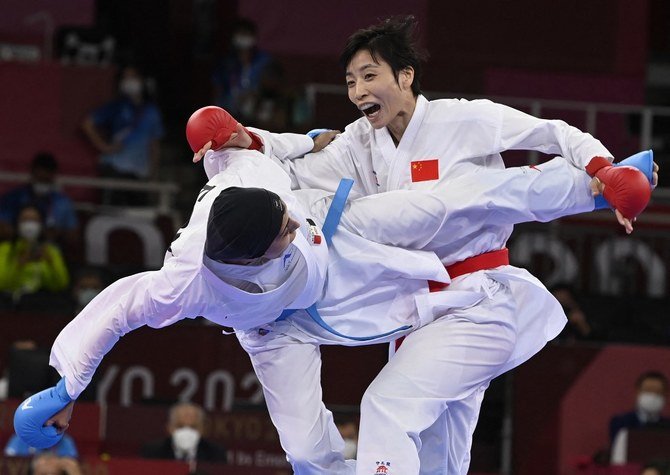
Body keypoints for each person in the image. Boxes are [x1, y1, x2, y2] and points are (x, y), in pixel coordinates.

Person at [15, 107, 651, 475]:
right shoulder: (186, 281)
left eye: (282, 217)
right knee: (302, 446)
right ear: (244, 257)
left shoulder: (261, 185)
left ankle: (602, 181)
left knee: (447, 203)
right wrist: (66, 386)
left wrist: (270, 137)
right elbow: (112, 311)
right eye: (280, 232)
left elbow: (263, 150)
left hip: (338, 246)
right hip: (273, 328)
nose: (286, 224)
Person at [230, 16, 660, 475]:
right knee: (440, 461)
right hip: (417, 310)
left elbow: (550, 133)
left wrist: (606, 170)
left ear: (406, 75)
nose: (357, 91)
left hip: (479, 300)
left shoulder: (462, 118)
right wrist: (248, 142)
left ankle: (592, 188)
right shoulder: (358, 142)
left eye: (370, 76)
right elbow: (296, 173)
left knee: (386, 406)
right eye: (351, 81)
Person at [81, 64, 164, 204]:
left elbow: (154, 145)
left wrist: (153, 175)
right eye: (125, 78)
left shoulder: (152, 112)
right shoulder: (117, 107)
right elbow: (87, 124)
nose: (129, 81)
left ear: (143, 80)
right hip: (115, 170)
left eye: (133, 77)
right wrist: (105, 147)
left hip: (140, 174)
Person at [0, 153, 78, 246]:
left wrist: (57, 233)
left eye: (46, 181)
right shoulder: (13, 198)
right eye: (40, 179)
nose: (42, 183)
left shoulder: (63, 203)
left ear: (53, 177)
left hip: (50, 250)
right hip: (16, 248)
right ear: (32, 173)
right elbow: (2, 227)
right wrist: (25, 231)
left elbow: (74, 235)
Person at [0, 205, 70, 302]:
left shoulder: (51, 251)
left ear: (42, 224)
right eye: (25, 219)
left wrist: (50, 263)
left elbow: (61, 284)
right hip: (10, 304)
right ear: (17, 223)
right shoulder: (5, 249)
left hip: (41, 305)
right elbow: (2, 283)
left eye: (34, 220)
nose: (30, 224)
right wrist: (19, 265)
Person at [212, 18, 272, 123]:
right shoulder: (226, 61)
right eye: (240, 34)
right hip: (230, 108)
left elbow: (271, 85)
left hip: (256, 107)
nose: (243, 38)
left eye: (246, 34)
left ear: (253, 37)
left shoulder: (264, 60)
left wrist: (255, 95)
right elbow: (217, 86)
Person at [141, 402, 227, 464]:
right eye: (180, 427)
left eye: (193, 427)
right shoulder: (153, 452)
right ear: (169, 428)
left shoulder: (215, 454)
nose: (186, 432)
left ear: (202, 429)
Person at [610, 371, 670, 445]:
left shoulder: (668, 426)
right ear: (637, 392)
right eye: (648, 390)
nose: (653, 396)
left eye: (658, 392)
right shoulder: (621, 422)